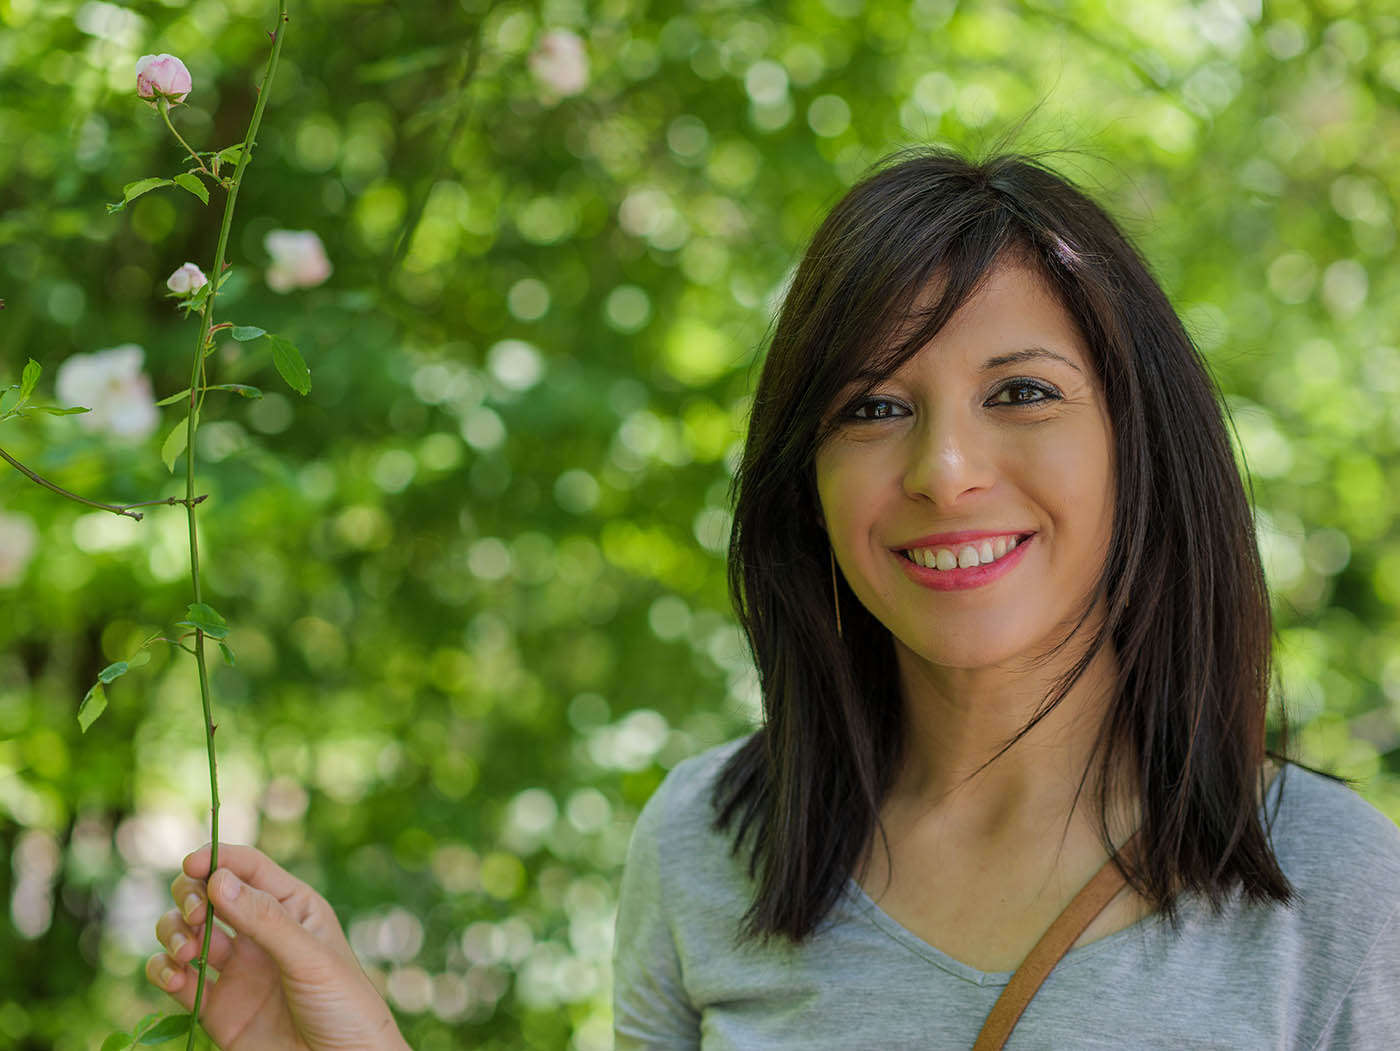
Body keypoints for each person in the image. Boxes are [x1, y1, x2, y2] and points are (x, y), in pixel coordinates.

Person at [146, 149, 1400, 1048]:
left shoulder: (1337, 889)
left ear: (1143, 444)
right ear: (804, 480)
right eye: (872, 407)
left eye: (1019, 391)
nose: (942, 469)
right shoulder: (706, 845)